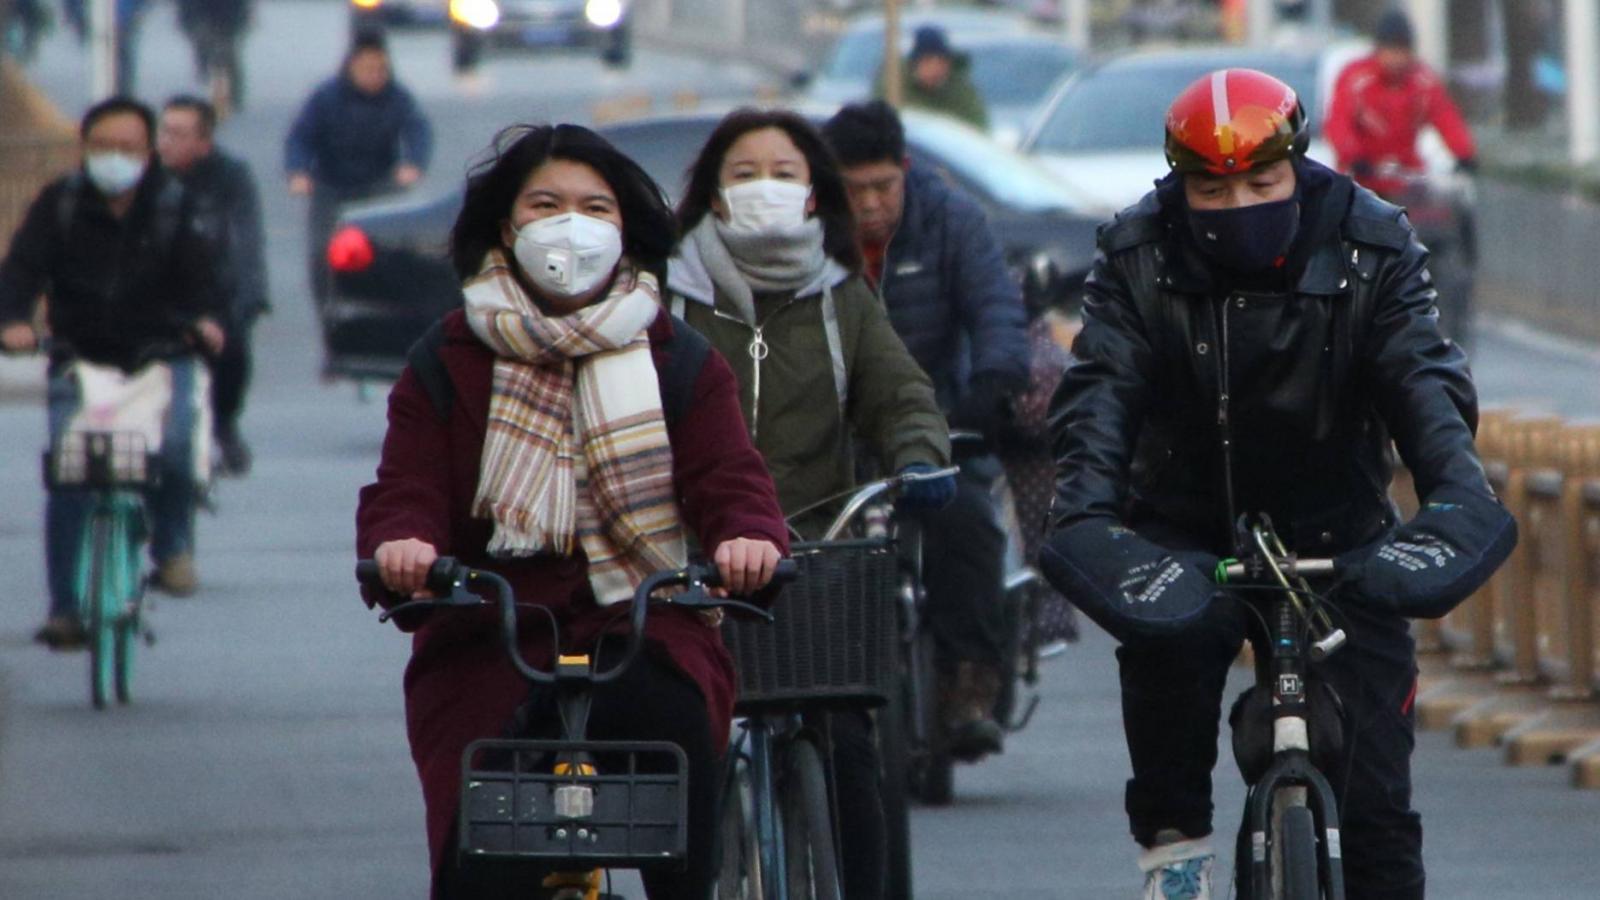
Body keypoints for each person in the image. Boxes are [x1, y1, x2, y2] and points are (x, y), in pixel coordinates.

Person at [1039, 69, 1517, 900]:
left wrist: (1454, 497)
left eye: (1263, 183)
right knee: (1167, 733)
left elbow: (1425, 383)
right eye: (1211, 190)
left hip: (1343, 541)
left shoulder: (1375, 244)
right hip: (1185, 536)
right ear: (1179, 185)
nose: (1238, 207)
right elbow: (1098, 404)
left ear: (1299, 164)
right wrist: (1091, 521)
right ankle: (1173, 868)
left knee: (1379, 820)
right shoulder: (1134, 254)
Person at [356, 122, 789, 900]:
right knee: (476, 828)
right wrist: (405, 545)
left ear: (624, 230)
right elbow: (407, 484)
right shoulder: (446, 358)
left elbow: (729, 473)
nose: (571, 225)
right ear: (506, 226)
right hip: (494, 628)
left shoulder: (677, 356)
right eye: (547, 204)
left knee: (680, 768)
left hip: (642, 624)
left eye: (596, 207)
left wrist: (748, 539)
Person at [666, 108, 953, 900]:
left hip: (813, 556)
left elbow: (899, 396)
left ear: (814, 195)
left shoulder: (844, 299)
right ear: (714, 198)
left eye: (785, 174)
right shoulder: (664, 301)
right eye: (745, 173)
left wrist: (921, 456)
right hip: (691, 562)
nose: (766, 189)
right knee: (687, 749)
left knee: (853, 744)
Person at [822, 99, 1030, 760]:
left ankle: (971, 684)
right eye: (853, 192)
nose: (871, 205)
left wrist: (995, 384)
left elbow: (995, 307)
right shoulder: (809, 238)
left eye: (883, 186)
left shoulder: (953, 219)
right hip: (836, 438)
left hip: (943, 423)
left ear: (905, 170)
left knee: (968, 525)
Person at [0, 97, 226, 645]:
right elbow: (22, 269)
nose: (114, 158)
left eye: (127, 147)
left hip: (159, 357)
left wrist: (205, 321)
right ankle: (64, 609)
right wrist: (12, 321)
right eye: (103, 146)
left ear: (148, 152)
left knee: (172, 451)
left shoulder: (178, 205)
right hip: (80, 359)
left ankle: (171, 546)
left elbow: (210, 281)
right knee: (70, 474)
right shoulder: (60, 204)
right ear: (85, 148)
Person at [159, 95, 269, 477]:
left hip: (217, 294)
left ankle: (224, 423)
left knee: (233, 347)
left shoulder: (230, 177)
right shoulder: (147, 178)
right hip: (160, 297)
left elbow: (246, 239)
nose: (165, 142)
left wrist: (250, 295)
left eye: (177, 133)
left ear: (204, 143)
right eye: (163, 131)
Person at [284, 29, 431, 303]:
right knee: (321, 252)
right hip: (331, 184)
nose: (374, 76)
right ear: (351, 67)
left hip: (379, 182)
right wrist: (298, 171)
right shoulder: (325, 97)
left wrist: (413, 163)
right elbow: (300, 136)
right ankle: (327, 305)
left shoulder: (398, 98)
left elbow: (417, 130)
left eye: (380, 69)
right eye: (367, 69)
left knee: (397, 248)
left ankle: (392, 305)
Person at [1325, 8, 1478, 196]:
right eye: (1390, 50)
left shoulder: (1423, 82)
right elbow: (1338, 123)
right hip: (1361, 179)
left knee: (1439, 214)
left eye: (1402, 50)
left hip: (1405, 180)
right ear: (1378, 49)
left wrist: (1464, 154)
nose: (1396, 58)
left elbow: (1446, 117)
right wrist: (1354, 157)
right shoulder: (1355, 78)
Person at [875, 25, 988, 130]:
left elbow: (978, 129)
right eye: (928, 61)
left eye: (941, 62)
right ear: (915, 64)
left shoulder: (961, 93)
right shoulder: (895, 89)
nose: (935, 68)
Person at [176, 0, 253, 113]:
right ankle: (224, 90)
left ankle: (231, 95)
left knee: (225, 55)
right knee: (212, 48)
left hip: (228, 18)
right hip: (204, 15)